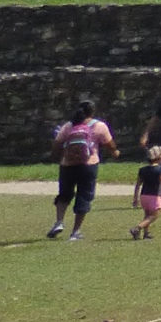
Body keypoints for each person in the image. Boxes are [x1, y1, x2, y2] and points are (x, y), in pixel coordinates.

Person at [47, 99, 116, 240]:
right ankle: (75, 232)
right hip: (88, 165)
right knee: (84, 196)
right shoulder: (99, 126)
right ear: (93, 112)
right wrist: (115, 153)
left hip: (67, 165)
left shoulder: (69, 125)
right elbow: (110, 144)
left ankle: (59, 221)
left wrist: (61, 157)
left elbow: (57, 144)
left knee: (64, 194)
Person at [130, 147, 161, 239]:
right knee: (155, 215)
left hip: (144, 196)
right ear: (159, 158)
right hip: (154, 196)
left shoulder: (143, 170)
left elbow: (138, 185)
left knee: (147, 214)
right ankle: (137, 228)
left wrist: (136, 198)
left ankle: (146, 233)